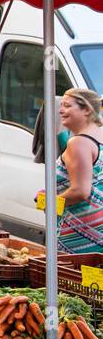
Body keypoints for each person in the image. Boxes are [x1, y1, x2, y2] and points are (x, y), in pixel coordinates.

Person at [56, 88, 103, 253]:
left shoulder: (79, 143)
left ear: (87, 110)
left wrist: (51, 202)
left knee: (76, 277)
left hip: (82, 230)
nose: (61, 110)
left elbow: (80, 191)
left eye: (67, 106)